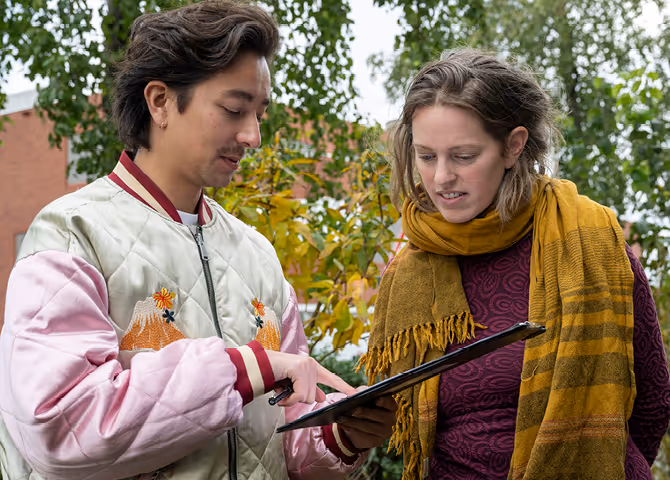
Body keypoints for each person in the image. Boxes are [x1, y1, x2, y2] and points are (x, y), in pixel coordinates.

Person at [0, 2, 397, 479]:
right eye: (233, 109)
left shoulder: (258, 256)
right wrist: (243, 368)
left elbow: (280, 440)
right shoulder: (71, 235)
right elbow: (60, 431)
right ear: (160, 101)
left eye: (260, 112)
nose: (252, 135)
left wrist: (340, 436)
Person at [358, 49, 670, 480]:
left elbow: (653, 402)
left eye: (463, 156)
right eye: (426, 156)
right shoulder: (410, 268)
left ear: (513, 146)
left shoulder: (593, 239)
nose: (441, 177)